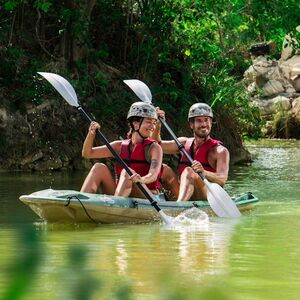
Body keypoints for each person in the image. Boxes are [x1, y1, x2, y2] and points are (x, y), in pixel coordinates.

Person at [80, 102, 163, 198]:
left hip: (147, 196)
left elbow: (153, 174)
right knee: (99, 167)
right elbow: (87, 153)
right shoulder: (119, 146)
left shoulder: (154, 148)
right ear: (135, 124)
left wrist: (141, 179)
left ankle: (113, 208)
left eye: (154, 123)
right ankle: (81, 202)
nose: (152, 126)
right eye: (149, 122)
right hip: (122, 194)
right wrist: (91, 134)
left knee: (128, 172)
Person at [153, 103, 230, 201]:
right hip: (183, 193)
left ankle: (178, 207)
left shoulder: (220, 151)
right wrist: (158, 124)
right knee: (164, 169)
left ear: (211, 123)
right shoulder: (183, 143)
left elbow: (222, 179)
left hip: (206, 196)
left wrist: (204, 172)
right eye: (199, 121)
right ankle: (163, 199)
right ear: (191, 124)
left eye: (206, 120)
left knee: (189, 171)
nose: (203, 124)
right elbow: (157, 145)